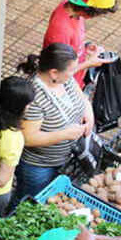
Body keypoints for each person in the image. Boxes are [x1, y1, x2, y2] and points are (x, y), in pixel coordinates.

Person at [14, 43, 95, 204]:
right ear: (53, 72)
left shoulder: (65, 79)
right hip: (39, 166)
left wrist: (89, 114)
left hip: (64, 158)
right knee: (28, 203)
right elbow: (29, 138)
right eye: (71, 70)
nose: (74, 72)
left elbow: (82, 98)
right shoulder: (34, 96)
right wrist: (64, 135)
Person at [43, 0, 118, 88]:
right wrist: (90, 63)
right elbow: (56, 75)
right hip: (63, 85)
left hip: (75, 78)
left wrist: (84, 46)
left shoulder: (71, 9)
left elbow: (70, 44)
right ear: (88, 11)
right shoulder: (60, 31)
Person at [0, 77, 36, 229]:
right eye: (28, 104)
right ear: (17, 107)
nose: (30, 107)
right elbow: (0, 179)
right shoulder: (13, 138)